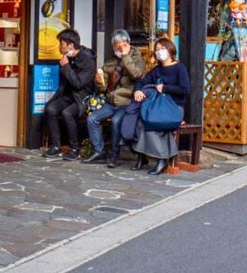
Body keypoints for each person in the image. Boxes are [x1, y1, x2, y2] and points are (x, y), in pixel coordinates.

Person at [123, 36, 191, 175]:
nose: (159, 52)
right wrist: (138, 90)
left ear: (171, 50)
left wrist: (165, 88)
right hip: (156, 106)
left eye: (162, 49)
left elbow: (184, 89)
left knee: (153, 124)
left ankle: (162, 158)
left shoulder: (179, 68)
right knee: (140, 122)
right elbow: (142, 81)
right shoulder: (156, 70)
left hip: (173, 107)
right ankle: (142, 157)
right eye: (157, 49)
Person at [83, 31, 145, 167]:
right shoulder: (110, 62)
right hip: (110, 102)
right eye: (115, 46)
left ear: (127, 44)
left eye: (121, 46)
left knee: (117, 121)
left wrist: (125, 56)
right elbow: (103, 90)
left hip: (127, 102)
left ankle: (114, 156)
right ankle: (99, 152)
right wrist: (99, 82)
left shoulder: (137, 59)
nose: (118, 49)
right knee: (92, 119)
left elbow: (136, 74)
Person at [41, 28, 96, 160]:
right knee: (50, 109)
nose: (60, 47)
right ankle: (56, 146)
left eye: (62, 44)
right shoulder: (70, 58)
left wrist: (66, 67)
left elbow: (78, 83)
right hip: (69, 95)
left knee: (67, 113)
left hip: (83, 97)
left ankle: (75, 148)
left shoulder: (87, 60)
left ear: (70, 45)